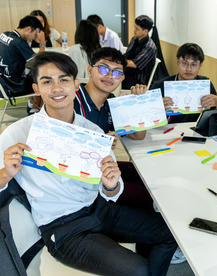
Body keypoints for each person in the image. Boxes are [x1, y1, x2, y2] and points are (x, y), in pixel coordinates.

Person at [0, 51, 177, 275]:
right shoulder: (18, 133)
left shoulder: (91, 131)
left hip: (98, 209)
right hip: (63, 227)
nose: (56, 88)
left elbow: (113, 191)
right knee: (139, 269)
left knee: (169, 233)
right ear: (36, 88)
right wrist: (6, 173)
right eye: (47, 81)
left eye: (63, 80)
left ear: (75, 84)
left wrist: (111, 183)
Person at [74, 47, 152, 209]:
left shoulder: (112, 102)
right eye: (103, 69)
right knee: (151, 198)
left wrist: (137, 104)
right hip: (82, 180)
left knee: (146, 175)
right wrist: (97, 144)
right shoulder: (73, 99)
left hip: (106, 169)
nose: (110, 76)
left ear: (122, 77)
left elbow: (138, 136)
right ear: (90, 69)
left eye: (117, 72)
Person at [150, 42, 217, 123]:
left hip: (196, 132)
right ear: (177, 62)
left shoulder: (205, 84)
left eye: (193, 64)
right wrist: (157, 108)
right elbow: (147, 115)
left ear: (200, 65)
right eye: (184, 63)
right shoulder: (160, 85)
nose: (188, 69)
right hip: (166, 132)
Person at [0, 15, 45, 97]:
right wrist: (41, 42)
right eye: (35, 34)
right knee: (43, 79)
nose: (34, 38)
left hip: (3, 84)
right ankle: (33, 106)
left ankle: (33, 105)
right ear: (28, 29)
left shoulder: (4, 34)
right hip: (15, 87)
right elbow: (38, 63)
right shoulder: (19, 42)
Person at [122, 15, 157, 89]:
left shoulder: (149, 47)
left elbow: (134, 64)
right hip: (129, 73)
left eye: (137, 29)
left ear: (145, 31)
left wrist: (118, 61)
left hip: (139, 80)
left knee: (114, 80)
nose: (134, 30)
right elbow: (127, 55)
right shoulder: (134, 39)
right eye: (134, 27)